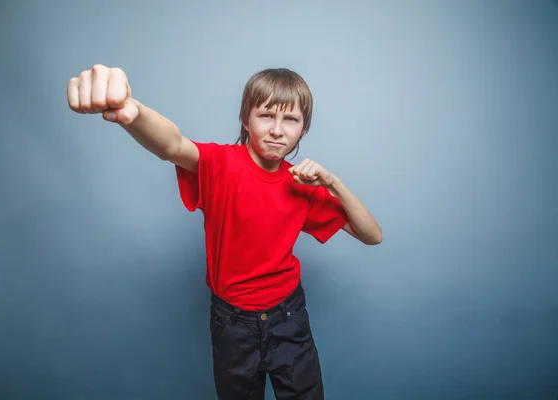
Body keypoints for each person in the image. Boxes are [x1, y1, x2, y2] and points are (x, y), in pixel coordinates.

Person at [67, 65, 382, 399]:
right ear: (245, 120)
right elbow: (173, 145)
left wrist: (332, 182)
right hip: (233, 323)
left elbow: (371, 234)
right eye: (266, 115)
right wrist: (133, 112)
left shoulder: (302, 185)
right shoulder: (221, 163)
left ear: (303, 129)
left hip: (289, 317)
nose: (277, 130)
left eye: (290, 120)